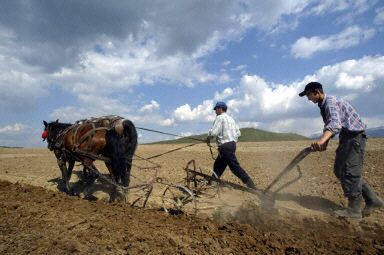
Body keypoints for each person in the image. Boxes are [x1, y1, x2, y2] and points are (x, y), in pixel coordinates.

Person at [299, 82, 384, 218]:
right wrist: (324, 143)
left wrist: (321, 140)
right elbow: (330, 125)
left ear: (316, 92)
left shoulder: (330, 102)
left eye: (308, 95)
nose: (308, 99)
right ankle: (373, 200)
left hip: (354, 137)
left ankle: (354, 210)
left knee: (348, 172)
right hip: (347, 137)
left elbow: (335, 124)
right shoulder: (323, 105)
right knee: (339, 170)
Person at [206, 101, 256, 189]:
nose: (215, 111)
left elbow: (213, 132)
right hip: (232, 145)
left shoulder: (220, 118)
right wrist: (233, 140)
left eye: (216, 109)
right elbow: (238, 133)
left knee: (234, 166)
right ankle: (213, 181)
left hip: (225, 146)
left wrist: (208, 137)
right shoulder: (231, 119)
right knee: (218, 165)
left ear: (220, 109)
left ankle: (250, 184)